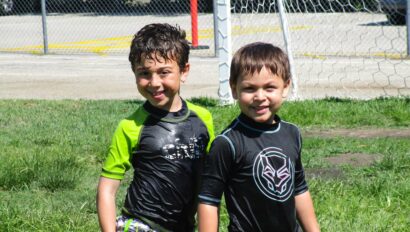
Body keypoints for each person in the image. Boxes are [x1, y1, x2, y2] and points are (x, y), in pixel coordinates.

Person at [96, 23, 215, 232]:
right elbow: (107, 189)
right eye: (144, 73)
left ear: (184, 71)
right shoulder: (130, 126)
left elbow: (212, 182)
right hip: (141, 225)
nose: (154, 82)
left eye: (164, 72)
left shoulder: (203, 119)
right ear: (134, 72)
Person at [197, 42, 320, 232]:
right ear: (234, 89)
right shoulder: (227, 143)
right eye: (249, 89)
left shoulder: (292, 133)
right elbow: (209, 200)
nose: (260, 96)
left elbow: (299, 188)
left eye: (270, 87)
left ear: (285, 87)